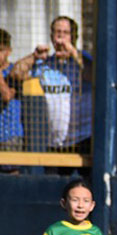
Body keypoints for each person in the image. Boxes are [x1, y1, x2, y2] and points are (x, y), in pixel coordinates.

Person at [27, 16, 92, 155]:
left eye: (65, 33)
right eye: (57, 32)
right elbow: (17, 74)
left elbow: (94, 75)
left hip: (82, 138)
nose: (60, 37)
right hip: (53, 142)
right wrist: (34, 57)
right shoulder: (45, 64)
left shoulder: (82, 59)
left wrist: (72, 52)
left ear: (73, 37)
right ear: (51, 37)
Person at [0, 29, 25, 172]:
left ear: (8, 51)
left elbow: (6, 96)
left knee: (11, 177)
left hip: (10, 136)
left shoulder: (14, 72)